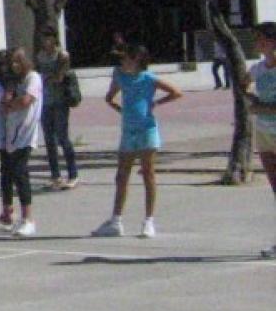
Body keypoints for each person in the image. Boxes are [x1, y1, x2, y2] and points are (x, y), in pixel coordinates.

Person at [94, 44, 182, 238]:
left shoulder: (148, 78)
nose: (123, 61)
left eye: (127, 58)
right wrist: (119, 108)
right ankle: (116, 220)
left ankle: (148, 220)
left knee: (148, 174)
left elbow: (176, 92)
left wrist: (156, 103)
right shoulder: (120, 77)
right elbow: (109, 97)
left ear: (137, 60)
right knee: (122, 175)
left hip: (147, 129)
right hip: (128, 131)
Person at [0, 49, 41, 237]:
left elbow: (25, 101)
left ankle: (17, 214)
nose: (11, 67)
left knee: (13, 173)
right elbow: (4, 103)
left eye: (14, 63)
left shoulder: (30, 78)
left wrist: (10, 102)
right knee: (0, 173)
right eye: (7, 64)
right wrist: (10, 99)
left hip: (16, 134)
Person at [243, 22, 276, 259]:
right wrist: (250, 98)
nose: (257, 43)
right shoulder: (258, 69)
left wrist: (261, 107)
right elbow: (242, 84)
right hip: (265, 134)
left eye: (261, 38)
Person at [35, 30, 82, 190]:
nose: (46, 41)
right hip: (45, 101)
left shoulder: (62, 55)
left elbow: (59, 77)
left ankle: (73, 174)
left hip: (60, 100)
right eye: (43, 38)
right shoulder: (40, 55)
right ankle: (55, 175)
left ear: (54, 38)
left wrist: (45, 78)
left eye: (48, 37)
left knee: (63, 137)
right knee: (49, 139)